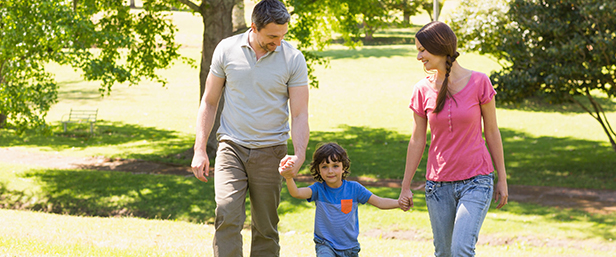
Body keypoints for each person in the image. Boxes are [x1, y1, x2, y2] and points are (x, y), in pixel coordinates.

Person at [190, 0, 309, 256]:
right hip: (231, 147)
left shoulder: (293, 58)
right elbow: (209, 102)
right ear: (254, 27)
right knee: (226, 215)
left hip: (272, 151)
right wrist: (200, 149)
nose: (278, 42)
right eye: (272, 36)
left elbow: (299, 114)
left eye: (283, 35)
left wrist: (299, 154)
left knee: (266, 227)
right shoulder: (227, 49)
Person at [398, 21, 509, 257]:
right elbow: (417, 139)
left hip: (476, 180)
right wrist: (405, 186)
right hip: (437, 186)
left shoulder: (480, 82)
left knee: (461, 250)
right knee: (444, 253)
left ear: (439, 46)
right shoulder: (422, 89)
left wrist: (502, 178)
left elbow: (492, 131)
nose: (419, 57)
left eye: (422, 50)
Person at [279, 142, 401, 257]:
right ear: (318, 170)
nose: (330, 171)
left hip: (350, 248)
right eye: (325, 167)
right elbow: (297, 193)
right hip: (325, 245)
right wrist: (289, 178)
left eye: (335, 166)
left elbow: (379, 202)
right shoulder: (318, 189)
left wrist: (399, 203)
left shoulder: (354, 188)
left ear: (344, 167)